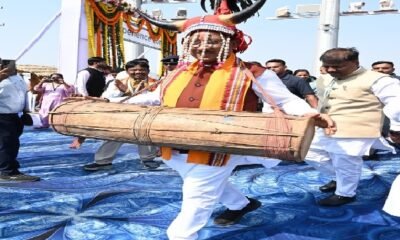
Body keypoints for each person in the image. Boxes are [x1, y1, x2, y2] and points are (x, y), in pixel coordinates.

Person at [134, 0, 335, 239]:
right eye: (195, 41)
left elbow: (284, 101)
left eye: (213, 41)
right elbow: (155, 97)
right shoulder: (179, 71)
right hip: (172, 145)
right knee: (195, 178)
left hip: (220, 146)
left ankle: (182, 235)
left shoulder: (255, 72)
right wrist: (112, 106)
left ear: (230, 42)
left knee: (197, 195)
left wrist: (310, 113)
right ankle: (241, 204)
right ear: (186, 43)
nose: (204, 46)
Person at [306, 47, 400, 206]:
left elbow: (396, 102)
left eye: (336, 67)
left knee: (345, 161)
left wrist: (396, 126)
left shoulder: (379, 80)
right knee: (309, 152)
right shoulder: (325, 78)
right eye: (327, 66)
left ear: (355, 62)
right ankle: (340, 178)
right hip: (324, 126)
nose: (330, 70)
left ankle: (345, 193)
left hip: (355, 129)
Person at [83, 59, 161, 171]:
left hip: (147, 115)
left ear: (148, 71)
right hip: (124, 116)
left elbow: (153, 99)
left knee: (145, 136)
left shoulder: (156, 82)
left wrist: (128, 93)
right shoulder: (117, 82)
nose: (138, 72)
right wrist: (123, 91)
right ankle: (103, 161)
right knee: (115, 136)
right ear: (127, 71)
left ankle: (148, 160)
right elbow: (107, 97)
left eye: (142, 70)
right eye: (134, 70)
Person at [0, 58, 40, 182]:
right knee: (6, 144)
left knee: (12, 144)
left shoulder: (18, 78)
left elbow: (24, 94)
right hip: (2, 116)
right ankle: (6, 172)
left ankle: (10, 167)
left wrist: (26, 111)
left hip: (15, 116)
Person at [70, 57, 107, 149]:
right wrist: (86, 98)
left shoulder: (101, 73)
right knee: (84, 120)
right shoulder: (85, 72)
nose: (105, 64)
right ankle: (78, 140)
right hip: (88, 100)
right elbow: (81, 86)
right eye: (103, 62)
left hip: (99, 100)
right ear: (96, 62)